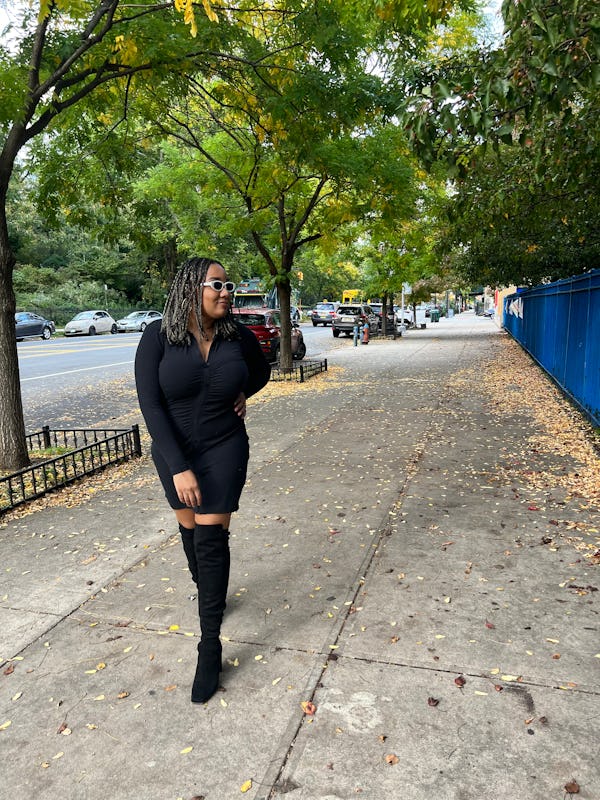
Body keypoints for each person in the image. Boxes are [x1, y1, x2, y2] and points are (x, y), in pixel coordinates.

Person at [135, 256, 271, 703]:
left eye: (227, 285)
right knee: (190, 532)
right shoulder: (157, 338)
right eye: (216, 284)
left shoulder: (239, 336)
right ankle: (207, 590)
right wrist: (178, 466)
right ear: (190, 288)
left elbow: (263, 372)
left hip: (225, 446)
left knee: (212, 539)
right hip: (174, 452)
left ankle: (208, 644)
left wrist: (241, 393)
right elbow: (151, 406)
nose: (225, 292)